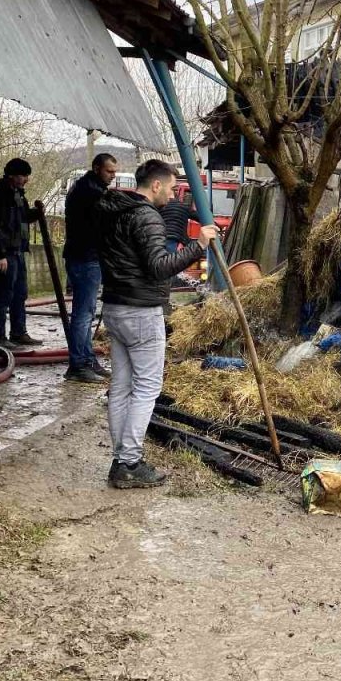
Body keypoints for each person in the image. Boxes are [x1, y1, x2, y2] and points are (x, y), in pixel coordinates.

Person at [97, 159, 216, 489]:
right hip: (140, 310)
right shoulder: (146, 215)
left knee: (121, 386)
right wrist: (199, 245)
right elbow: (159, 267)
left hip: (115, 307)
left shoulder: (113, 210)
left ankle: (121, 460)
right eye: (173, 188)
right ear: (156, 185)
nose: (174, 194)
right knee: (147, 387)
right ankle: (129, 462)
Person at [61, 153, 119, 383]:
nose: (113, 176)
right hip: (85, 258)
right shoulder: (90, 193)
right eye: (109, 171)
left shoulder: (88, 188)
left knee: (86, 313)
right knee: (83, 315)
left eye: (114, 172)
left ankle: (87, 359)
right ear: (96, 168)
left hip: (86, 256)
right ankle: (78, 365)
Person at [0, 158, 43, 350]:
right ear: (12, 175)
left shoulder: (18, 195)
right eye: (23, 176)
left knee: (19, 294)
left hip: (17, 251)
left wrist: (37, 213)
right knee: (2, 295)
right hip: (4, 253)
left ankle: (18, 332)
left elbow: (22, 218)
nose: (26, 180)